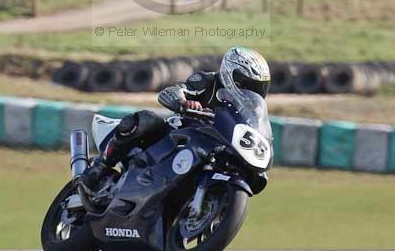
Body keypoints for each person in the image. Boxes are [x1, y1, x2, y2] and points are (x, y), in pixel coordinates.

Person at [78, 47, 270, 192]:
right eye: (248, 84)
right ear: (232, 76)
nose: (251, 91)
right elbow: (172, 92)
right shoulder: (207, 82)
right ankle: (100, 168)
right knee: (145, 120)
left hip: (213, 149)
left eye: (257, 88)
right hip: (179, 136)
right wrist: (184, 103)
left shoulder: (247, 110)